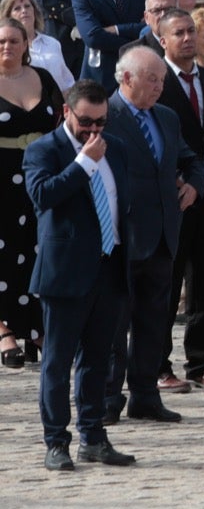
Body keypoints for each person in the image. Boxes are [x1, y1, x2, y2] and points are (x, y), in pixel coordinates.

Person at [24, 79, 137, 471]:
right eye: (86, 121)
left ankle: (94, 437)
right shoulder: (45, 149)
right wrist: (84, 162)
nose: (93, 130)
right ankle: (56, 442)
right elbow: (43, 195)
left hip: (110, 267)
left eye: (101, 122)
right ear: (66, 112)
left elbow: (122, 203)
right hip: (66, 272)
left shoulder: (115, 147)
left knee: (98, 361)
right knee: (57, 363)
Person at [105, 46, 202, 423]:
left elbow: (190, 160)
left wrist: (193, 185)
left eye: (162, 79)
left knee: (153, 322)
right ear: (127, 78)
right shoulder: (106, 115)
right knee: (114, 325)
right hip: (121, 238)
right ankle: (108, 398)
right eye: (152, 79)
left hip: (163, 235)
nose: (160, 86)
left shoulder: (166, 117)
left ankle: (145, 395)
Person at [149, 8, 204, 390]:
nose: (188, 38)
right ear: (163, 40)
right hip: (173, 197)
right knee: (168, 283)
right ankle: (158, 364)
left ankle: (200, 362)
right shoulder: (157, 82)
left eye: (191, 31)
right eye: (179, 32)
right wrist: (183, 181)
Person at [0, 18, 64, 369]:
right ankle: (4, 329)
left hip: (39, 176)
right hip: (1, 177)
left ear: (26, 44)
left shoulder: (44, 77)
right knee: (3, 253)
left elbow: (61, 123)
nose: (7, 47)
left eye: (14, 40)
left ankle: (35, 328)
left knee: (36, 249)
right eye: (1, 41)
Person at [1, 0, 74, 93]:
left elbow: (67, 82)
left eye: (27, 6)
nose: (24, 11)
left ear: (34, 11)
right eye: (17, 8)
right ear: (8, 16)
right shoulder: (7, 49)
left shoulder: (52, 43)